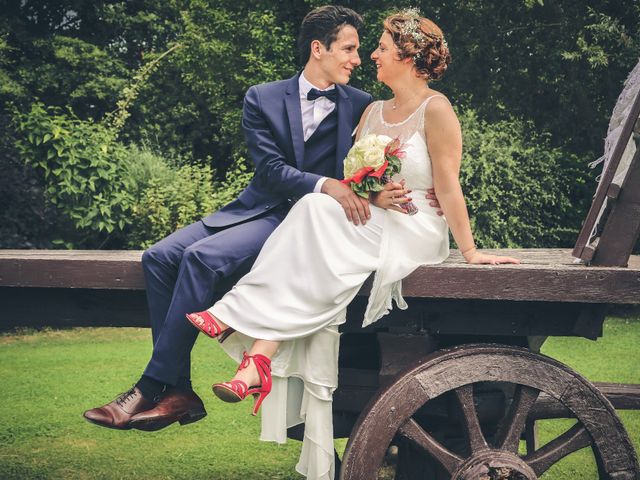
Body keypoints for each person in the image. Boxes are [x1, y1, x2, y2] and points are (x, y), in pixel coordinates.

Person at [185, 8, 520, 479]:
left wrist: (469, 252)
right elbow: (353, 182)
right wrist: (374, 193)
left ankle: (240, 322)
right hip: (378, 217)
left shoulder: (437, 109)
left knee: (314, 209)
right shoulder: (371, 112)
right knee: (313, 206)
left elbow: (447, 186)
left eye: (381, 48)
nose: (371, 57)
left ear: (408, 55)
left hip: (417, 227)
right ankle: (259, 354)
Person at [83, 5, 384, 431]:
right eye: (349, 49)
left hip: (307, 225)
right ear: (319, 48)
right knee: (158, 257)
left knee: (202, 258)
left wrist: (349, 189)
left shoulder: (361, 104)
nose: (357, 59)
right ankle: (180, 391)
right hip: (257, 207)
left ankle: (150, 386)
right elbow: (270, 170)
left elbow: (366, 170)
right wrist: (327, 183)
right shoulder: (261, 97)